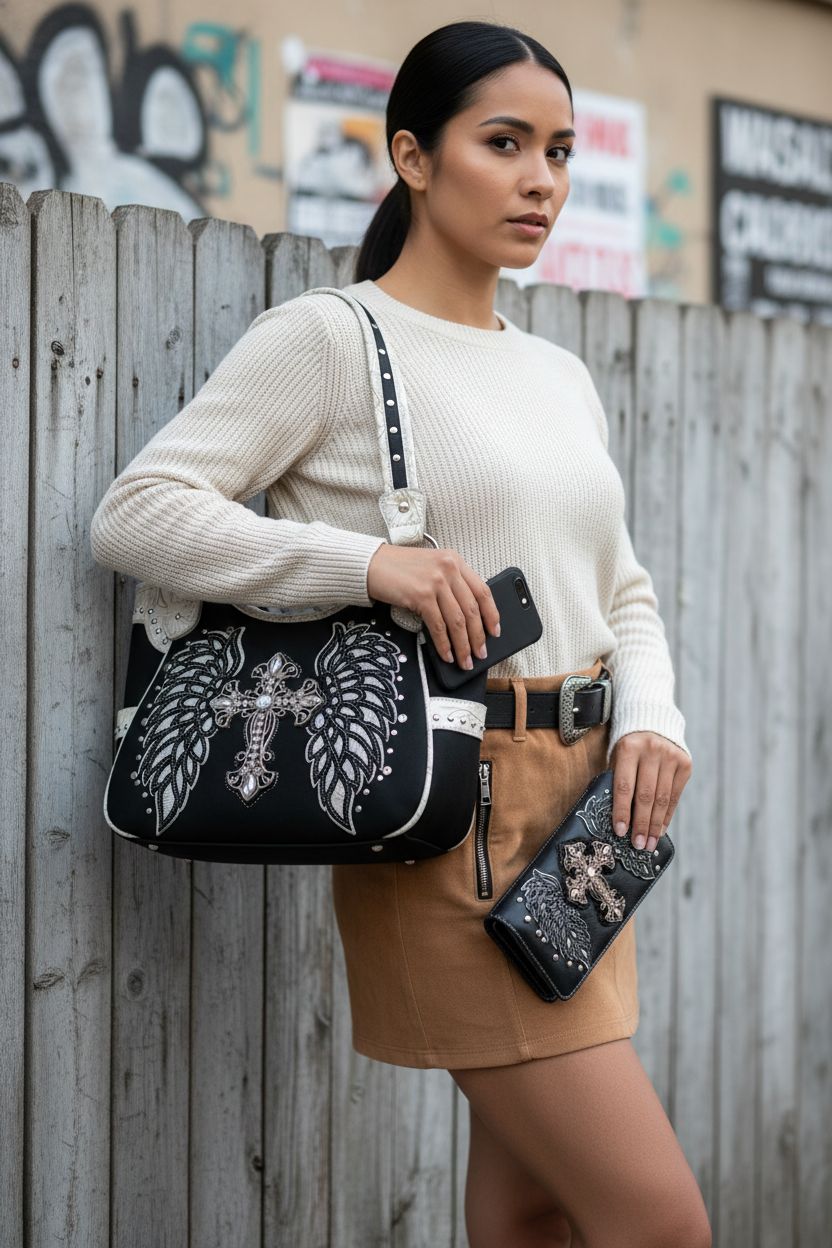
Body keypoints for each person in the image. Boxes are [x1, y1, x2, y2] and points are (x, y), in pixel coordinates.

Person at [90, 18, 709, 1248]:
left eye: (562, 150)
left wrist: (650, 718)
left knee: (532, 1207)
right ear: (414, 159)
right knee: (659, 1223)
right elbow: (138, 514)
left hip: (585, 826)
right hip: (447, 820)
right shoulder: (331, 339)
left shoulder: (554, 373)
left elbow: (622, 588)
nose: (543, 179)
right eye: (505, 143)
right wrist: (365, 563)